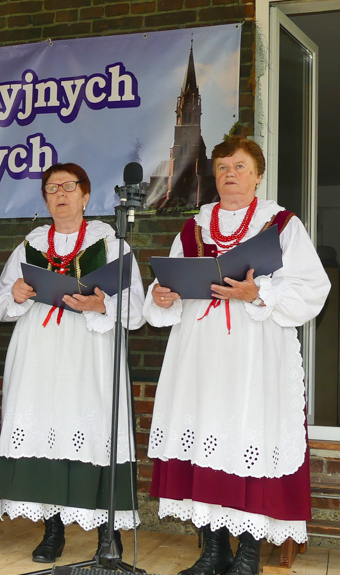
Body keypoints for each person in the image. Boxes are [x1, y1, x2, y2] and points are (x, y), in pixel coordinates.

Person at [145, 136, 330, 575]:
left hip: (255, 349)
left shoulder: (281, 224)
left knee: (249, 436)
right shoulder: (194, 227)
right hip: (200, 349)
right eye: (223, 167)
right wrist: (163, 295)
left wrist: (258, 291)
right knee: (205, 431)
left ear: (258, 174)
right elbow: (169, 281)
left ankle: (247, 553)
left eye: (240, 166)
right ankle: (213, 551)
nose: (230, 174)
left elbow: (312, 288)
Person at [0, 163, 146, 563]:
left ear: (85, 195)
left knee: (92, 428)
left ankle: (107, 536)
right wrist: (20, 294)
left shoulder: (111, 242)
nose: (60, 194)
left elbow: (136, 311)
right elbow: (0, 306)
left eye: (68, 186)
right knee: (46, 427)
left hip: (88, 351)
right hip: (40, 350)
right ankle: (52, 529)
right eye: (51, 188)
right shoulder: (30, 243)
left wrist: (102, 303)